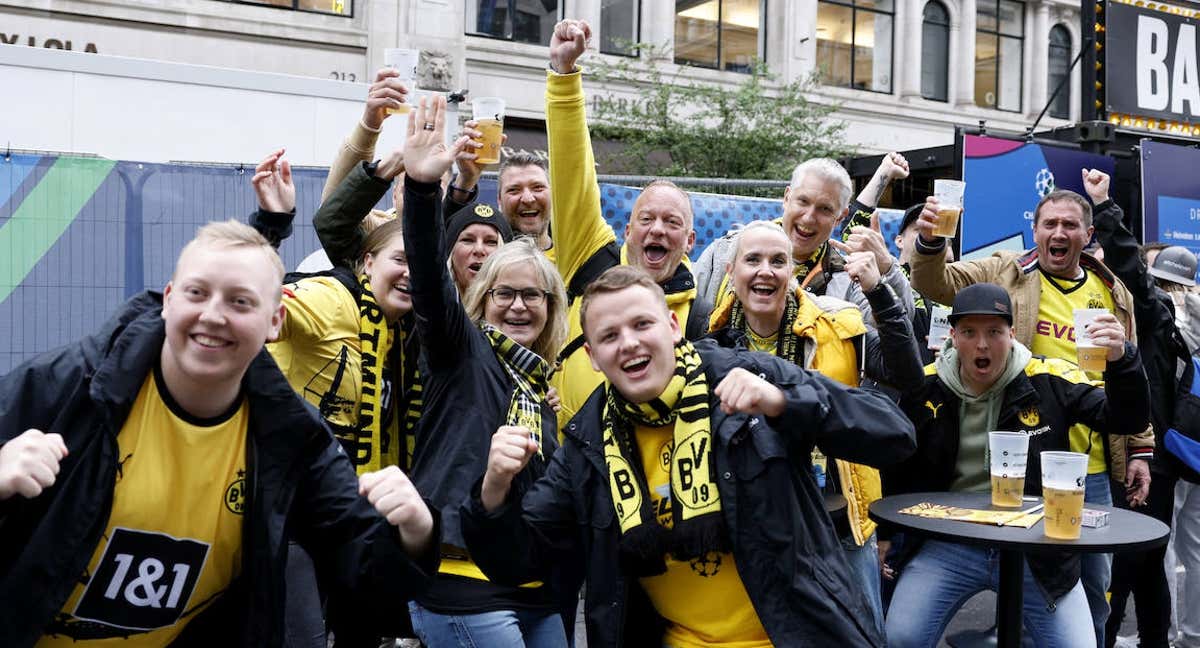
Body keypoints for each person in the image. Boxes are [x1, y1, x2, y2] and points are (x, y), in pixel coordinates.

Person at [0, 220, 439, 647]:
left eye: (240, 302)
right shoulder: (68, 386)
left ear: (274, 322)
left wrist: (415, 533)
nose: (213, 316)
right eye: (197, 293)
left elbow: (366, 574)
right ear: (169, 299)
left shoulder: (291, 439)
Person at [459, 264, 917, 647]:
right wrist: (494, 489)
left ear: (673, 328)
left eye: (642, 325)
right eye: (610, 335)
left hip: (797, 635)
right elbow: (521, 564)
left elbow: (894, 436)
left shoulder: (749, 376)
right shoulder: (587, 442)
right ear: (594, 357)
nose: (630, 343)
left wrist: (784, 403)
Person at [908, 185, 1155, 645]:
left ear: (1088, 234)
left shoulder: (1111, 290)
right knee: (1021, 574)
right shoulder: (1007, 272)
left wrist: (1140, 446)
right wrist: (930, 242)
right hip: (1027, 452)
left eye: (1069, 225)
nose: (1058, 233)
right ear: (1035, 231)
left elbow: (1129, 372)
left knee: (1089, 592)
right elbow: (934, 283)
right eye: (1049, 224)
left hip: (1090, 463)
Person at [401, 96, 571, 647]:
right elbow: (428, 277)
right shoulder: (460, 349)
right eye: (504, 293)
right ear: (481, 297)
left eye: (533, 295)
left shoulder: (540, 383)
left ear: (551, 307)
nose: (519, 306)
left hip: (533, 582)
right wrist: (424, 192)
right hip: (460, 579)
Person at [705, 219, 923, 634]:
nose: (765, 270)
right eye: (752, 260)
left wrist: (880, 292)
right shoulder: (714, 343)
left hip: (840, 521)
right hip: (761, 522)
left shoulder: (837, 324)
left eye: (778, 261)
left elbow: (908, 377)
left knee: (858, 636)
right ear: (731, 274)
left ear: (792, 273)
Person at [544, 19, 714, 432]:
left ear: (689, 241)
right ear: (627, 231)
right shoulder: (589, 257)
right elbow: (571, 172)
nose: (657, 230)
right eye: (646, 219)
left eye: (671, 222)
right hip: (568, 469)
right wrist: (564, 77)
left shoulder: (701, 316)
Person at [1089, 170, 1198, 648]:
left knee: (1130, 559)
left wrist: (1104, 205)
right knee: (1153, 557)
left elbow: (1130, 269)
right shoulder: (1188, 317)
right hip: (1173, 451)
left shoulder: (1159, 314)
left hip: (1149, 451)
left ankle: (1108, 636)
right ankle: (1158, 638)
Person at [695, 152, 917, 327]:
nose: (809, 218)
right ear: (786, 197)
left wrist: (887, 267)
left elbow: (902, 327)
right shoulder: (724, 252)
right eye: (803, 201)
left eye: (824, 209)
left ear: (840, 217)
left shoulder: (849, 277)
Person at [497, 152, 555, 260]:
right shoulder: (483, 259)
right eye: (514, 190)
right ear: (499, 199)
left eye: (538, 187)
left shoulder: (574, 257)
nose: (528, 199)